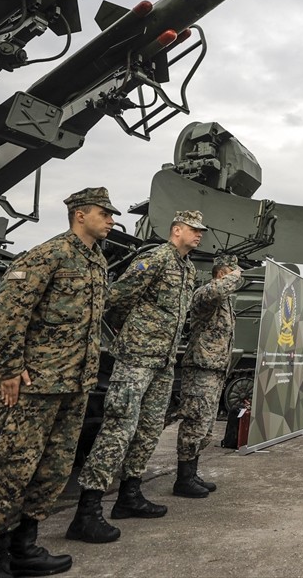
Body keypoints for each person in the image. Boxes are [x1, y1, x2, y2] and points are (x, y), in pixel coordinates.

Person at [0, 188, 117, 577]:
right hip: (34, 386)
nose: (111, 220)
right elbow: (0, 315)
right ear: (80, 215)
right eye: (104, 213)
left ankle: (25, 548)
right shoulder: (48, 254)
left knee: (52, 471)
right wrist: (7, 368)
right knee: (11, 469)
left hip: (74, 384)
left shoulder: (96, 261)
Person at [69, 210, 205, 543]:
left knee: (147, 430)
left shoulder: (187, 268)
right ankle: (86, 512)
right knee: (119, 427)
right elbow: (117, 298)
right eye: (193, 229)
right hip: (136, 357)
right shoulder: (157, 258)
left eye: (201, 230)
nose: (199, 234)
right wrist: (134, 334)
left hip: (163, 361)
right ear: (176, 231)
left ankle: (129, 496)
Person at [173, 254, 243, 498]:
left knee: (206, 427)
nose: (239, 277)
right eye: (233, 273)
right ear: (222, 274)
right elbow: (214, 292)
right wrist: (234, 277)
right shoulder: (206, 294)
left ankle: (191, 472)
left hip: (215, 370)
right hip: (201, 369)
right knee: (194, 421)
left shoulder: (225, 302)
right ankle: (183, 479)